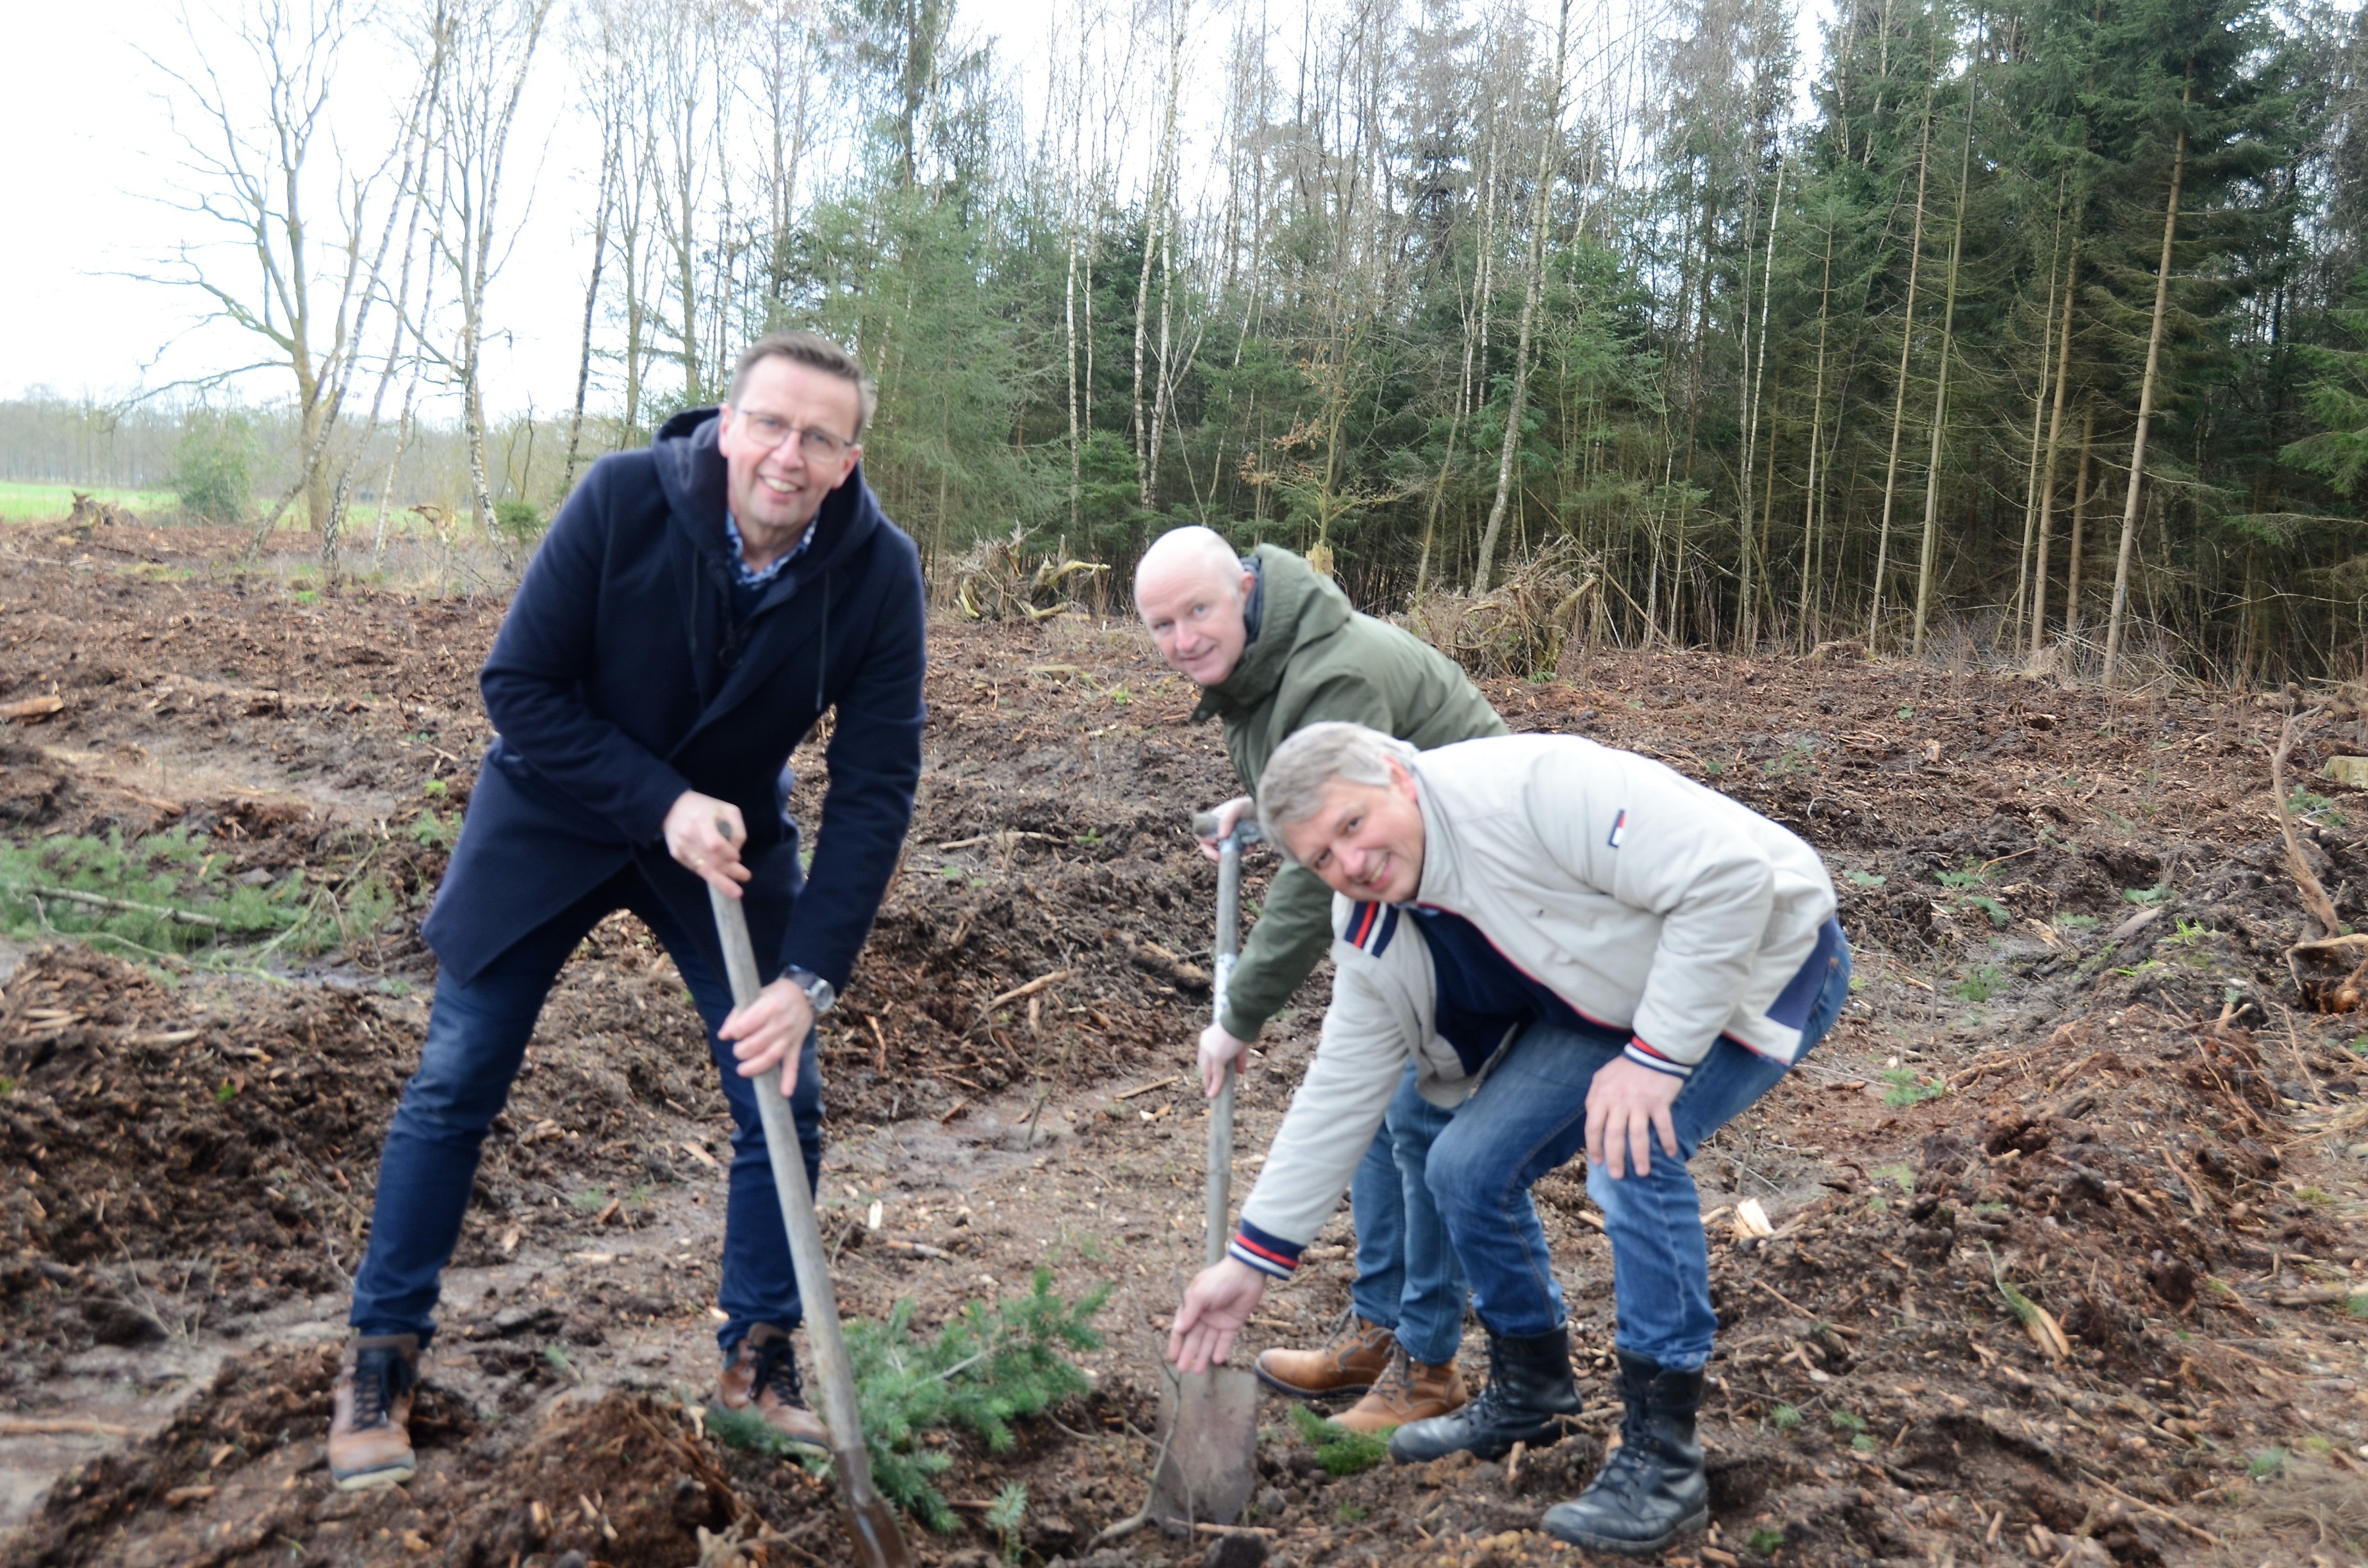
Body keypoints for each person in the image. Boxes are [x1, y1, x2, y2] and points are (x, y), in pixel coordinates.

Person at [327, 331, 926, 1492]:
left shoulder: (878, 572)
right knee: (456, 1081)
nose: (787, 456)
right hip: (553, 816)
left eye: (819, 438)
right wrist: (659, 803)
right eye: (769, 424)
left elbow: (877, 786)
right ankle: (380, 1360)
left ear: (850, 459)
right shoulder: (619, 499)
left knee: (781, 1092)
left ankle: (758, 1361)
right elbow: (518, 688)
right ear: (727, 422)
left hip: (725, 848)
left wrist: (810, 982)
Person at [1166, 723, 1850, 1556]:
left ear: (1394, 773)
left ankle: (1663, 1461)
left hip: (1755, 961)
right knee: (1464, 1166)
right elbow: (1337, 1092)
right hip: (1608, 999)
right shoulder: (1373, 928)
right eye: (1320, 858)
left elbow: (1729, 879)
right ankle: (1533, 1389)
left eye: (1351, 826)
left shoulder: (1533, 788)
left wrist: (1658, 1058)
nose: (1349, 864)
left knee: (1629, 1150)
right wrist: (1249, 1263)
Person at [1134, 527, 1505, 1432]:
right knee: (1380, 1114)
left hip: (1469, 888)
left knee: (1422, 1118)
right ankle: (1378, 1329)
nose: (1183, 640)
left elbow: (1315, 872)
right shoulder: (1266, 666)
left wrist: (1241, 1012)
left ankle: (1429, 1363)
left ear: (1246, 589)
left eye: (1198, 612)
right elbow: (1313, 779)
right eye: (1161, 625)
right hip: (1401, 879)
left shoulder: (1328, 670)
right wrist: (1260, 805)